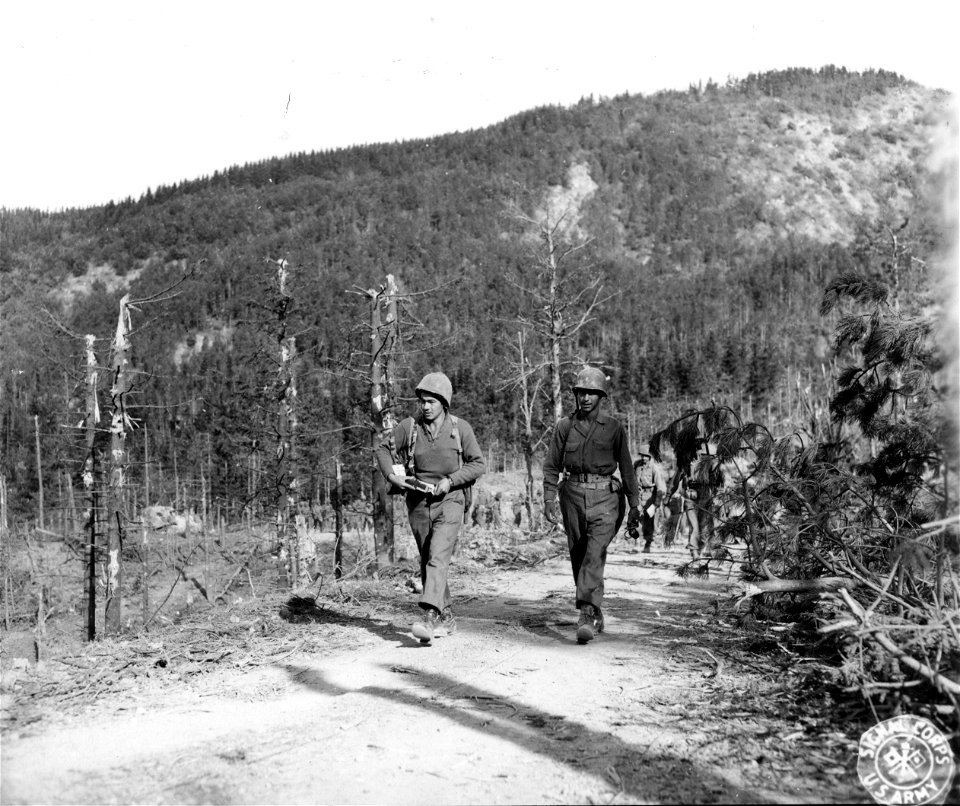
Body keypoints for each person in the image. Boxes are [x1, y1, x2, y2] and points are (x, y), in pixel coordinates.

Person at [376, 371, 485, 644]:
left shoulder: (460, 429)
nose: (425, 406)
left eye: (431, 401)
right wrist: (392, 476)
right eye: (422, 401)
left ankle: (429, 616)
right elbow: (382, 449)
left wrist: (451, 481)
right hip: (418, 501)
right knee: (428, 559)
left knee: (438, 555)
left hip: (451, 499)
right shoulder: (410, 427)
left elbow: (478, 464)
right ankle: (446, 615)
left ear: (444, 403)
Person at [542, 367, 640, 644]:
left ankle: (585, 612)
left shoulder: (613, 428)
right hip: (572, 496)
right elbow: (551, 466)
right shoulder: (564, 427)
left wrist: (634, 505)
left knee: (594, 553)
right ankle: (595, 608)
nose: (585, 398)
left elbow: (627, 469)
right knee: (579, 555)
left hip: (606, 498)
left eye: (592, 393)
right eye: (581, 392)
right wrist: (549, 499)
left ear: (601, 397)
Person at [633, 447, 667, 553]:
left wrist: (657, 502)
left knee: (649, 521)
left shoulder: (654, 468)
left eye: (646, 456)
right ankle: (636, 542)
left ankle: (647, 544)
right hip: (639, 495)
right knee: (635, 518)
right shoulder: (637, 465)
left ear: (650, 457)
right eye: (642, 456)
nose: (644, 458)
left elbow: (660, 486)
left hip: (650, 497)